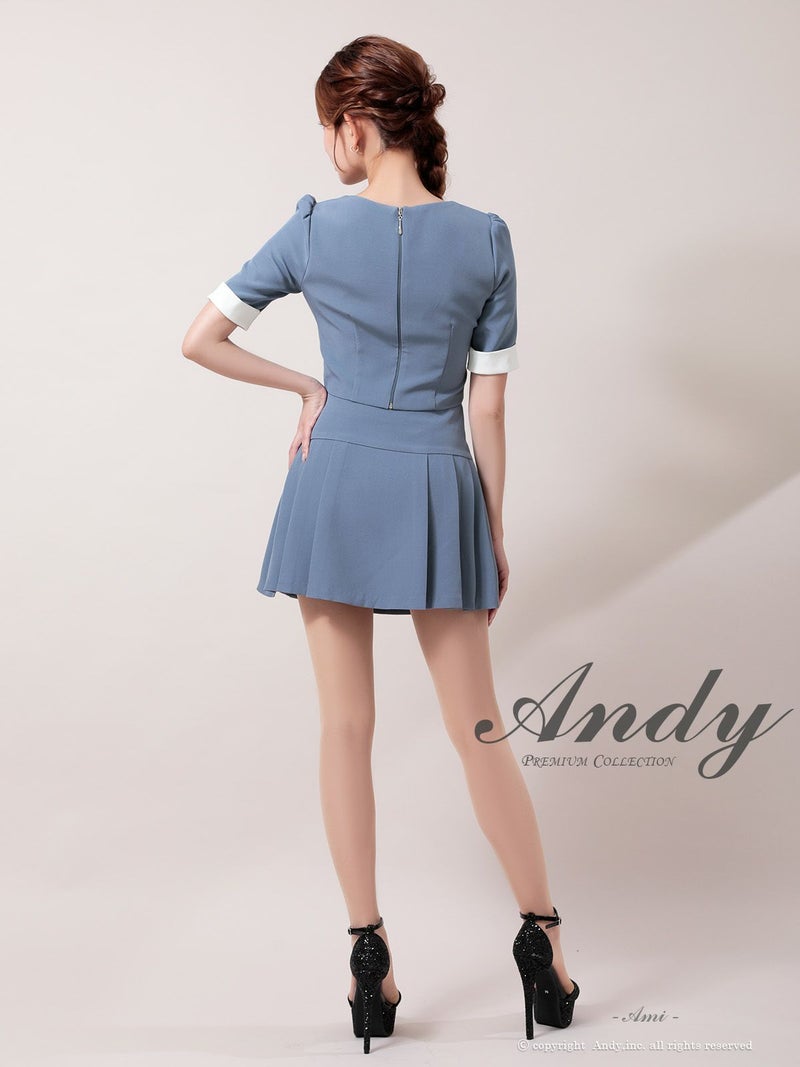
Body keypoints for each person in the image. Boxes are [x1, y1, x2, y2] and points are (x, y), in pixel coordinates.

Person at [182, 33, 578, 1054]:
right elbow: (488, 407)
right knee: (478, 727)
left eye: (328, 128)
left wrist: (307, 387)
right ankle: (541, 936)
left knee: (343, 727)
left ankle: (368, 952)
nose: (328, 147)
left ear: (354, 125)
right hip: (438, 483)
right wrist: (490, 529)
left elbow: (200, 338)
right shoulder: (485, 238)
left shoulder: (312, 230)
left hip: (335, 482)